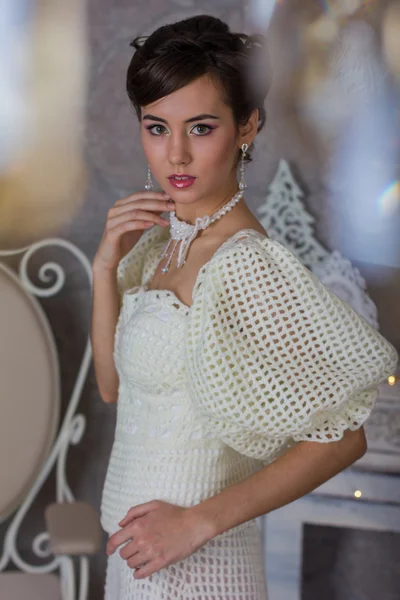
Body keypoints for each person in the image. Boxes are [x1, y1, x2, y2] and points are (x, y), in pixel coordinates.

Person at [90, 14, 399, 600]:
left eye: (200, 128)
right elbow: (114, 388)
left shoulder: (246, 264)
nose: (175, 154)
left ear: (247, 126)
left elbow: (342, 438)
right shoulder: (160, 242)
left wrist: (196, 522)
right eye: (157, 128)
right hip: (133, 566)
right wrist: (105, 267)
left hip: (201, 573)